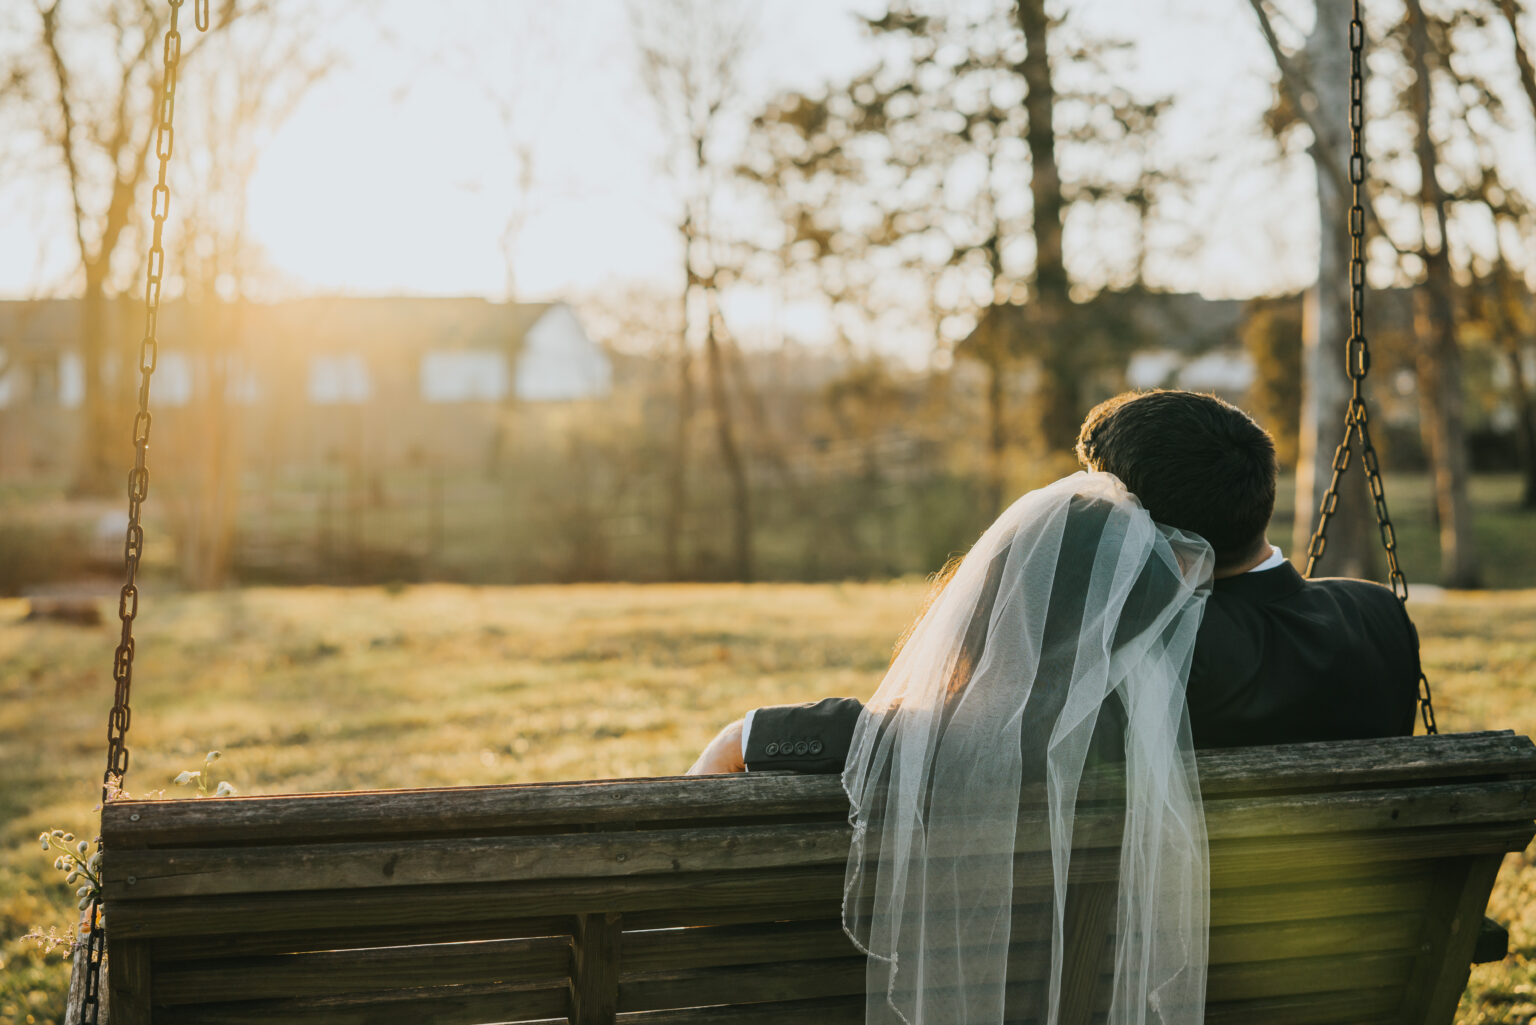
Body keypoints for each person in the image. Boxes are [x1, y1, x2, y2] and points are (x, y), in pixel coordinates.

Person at [686, 390, 1422, 777]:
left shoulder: (1152, 665)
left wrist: (750, 735)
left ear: (1134, 531)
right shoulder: (1378, 618)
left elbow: (965, 741)